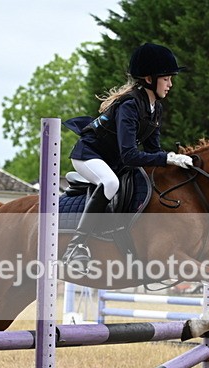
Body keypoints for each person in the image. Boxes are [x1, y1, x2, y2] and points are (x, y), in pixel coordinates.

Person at [62, 42, 193, 272]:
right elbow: (130, 154)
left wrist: (172, 164)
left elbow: (152, 150)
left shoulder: (155, 108)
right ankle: (76, 246)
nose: (171, 84)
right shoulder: (130, 106)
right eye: (167, 78)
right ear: (149, 78)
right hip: (88, 155)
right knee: (110, 183)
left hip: (112, 161)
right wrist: (167, 158)